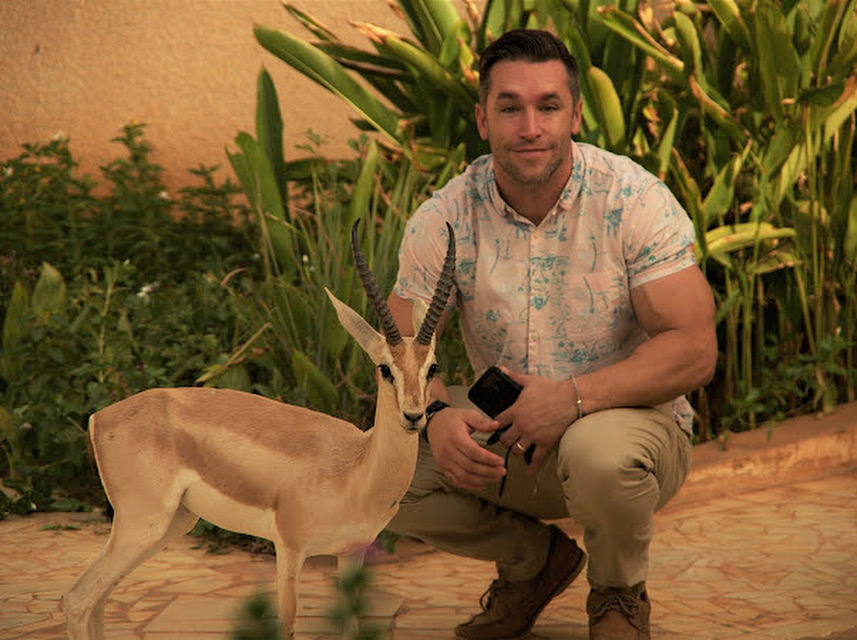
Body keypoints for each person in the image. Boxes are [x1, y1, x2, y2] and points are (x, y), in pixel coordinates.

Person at [386, 29, 717, 640]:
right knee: (383, 462)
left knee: (599, 454)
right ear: (484, 120)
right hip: (508, 435)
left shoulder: (632, 200)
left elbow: (694, 348)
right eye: (510, 107)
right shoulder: (445, 217)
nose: (530, 126)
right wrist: (433, 414)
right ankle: (534, 563)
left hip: (627, 430)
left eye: (548, 106)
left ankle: (618, 596)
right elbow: (401, 348)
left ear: (575, 114)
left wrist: (570, 399)